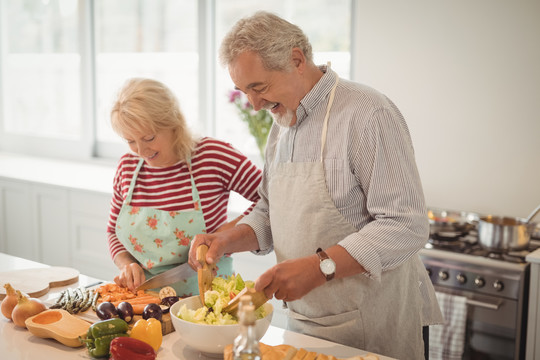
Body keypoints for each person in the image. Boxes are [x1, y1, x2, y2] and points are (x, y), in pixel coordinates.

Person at [188, 11, 443, 360]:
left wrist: (319, 267)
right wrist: (226, 239)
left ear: (296, 60)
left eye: (258, 87)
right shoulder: (281, 124)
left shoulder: (368, 114)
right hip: (308, 322)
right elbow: (269, 208)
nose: (255, 105)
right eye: (244, 91)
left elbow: (406, 225)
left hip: (375, 324)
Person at [106, 78, 262, 297]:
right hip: (148, 299)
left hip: (209, 294)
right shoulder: (128, 167)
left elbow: (269, 198)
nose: (141, 150)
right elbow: (112, 231)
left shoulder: (212, 156)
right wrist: (126, 265)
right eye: (130, 141)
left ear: (173, 123)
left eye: (148, 137)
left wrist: (223, 238)